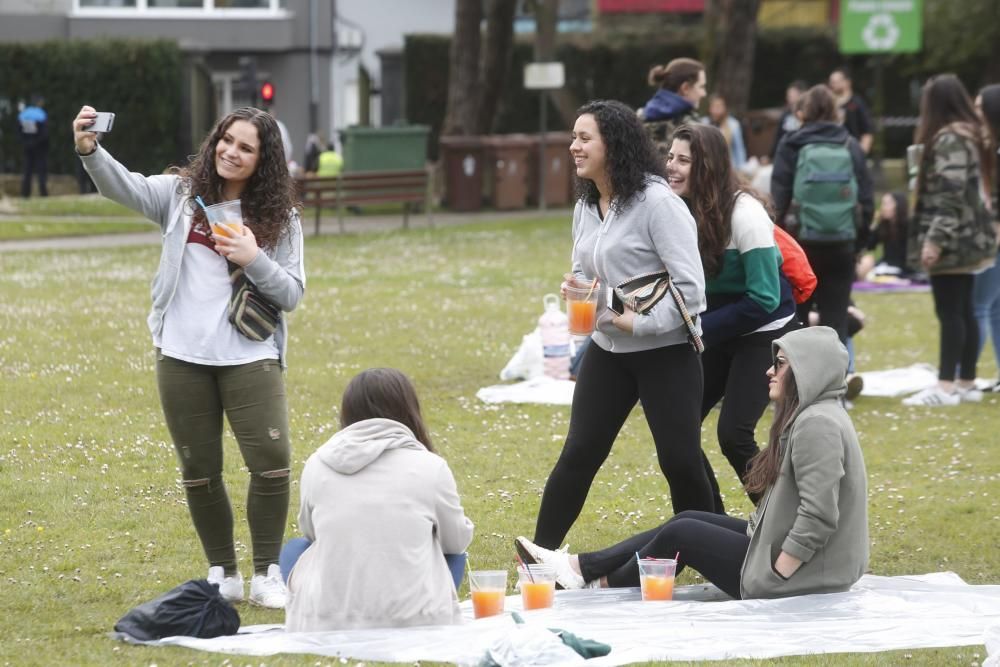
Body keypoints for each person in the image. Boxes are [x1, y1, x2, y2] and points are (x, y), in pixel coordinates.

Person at [73, 105, 306, 607]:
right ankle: (223, 571)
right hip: (181, 355)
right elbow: (126, 186)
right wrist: (90, 151)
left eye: (246, 147)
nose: (231, 152)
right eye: (227, 140)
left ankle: (267, 572)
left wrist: (253, 257)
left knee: (272, 463)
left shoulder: (280, 218)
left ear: (263, 160)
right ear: (214, 141)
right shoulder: (180, 196)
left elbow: (290, 293)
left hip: (249, 355)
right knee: (199, 470)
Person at [516, 326, 869, 600]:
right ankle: (578, 568)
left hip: (804, 574)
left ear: (808, 372)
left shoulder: (817, 424)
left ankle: (599, 584)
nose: (768, 371)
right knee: (688, 519)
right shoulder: (815, 415)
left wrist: (780, 571)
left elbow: (820, 512)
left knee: (681, 534)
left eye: (780, 363)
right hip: (796, 559)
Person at [527, 99, 713, 552]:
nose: (574, 146)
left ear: (614, 144)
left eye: (584, 137)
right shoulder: (588, 204)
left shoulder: (658, 203)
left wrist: (634, 322)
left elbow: (692, 292)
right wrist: (580, 291)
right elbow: (585, 270)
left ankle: (718, 550)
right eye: (573, 137)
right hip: (607, 352)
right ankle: (538, 559)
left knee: (681, 461)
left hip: (666, 353)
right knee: (579, 454)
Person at [666, 123, 798, 512]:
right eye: (670, 156)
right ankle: (710, 523)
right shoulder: (677, 208)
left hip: (765, 328)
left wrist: (698, 328)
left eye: (684, 160)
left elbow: (763, 298)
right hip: (721, 326)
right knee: (678, 427)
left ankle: (780, 521)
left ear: (706, 166)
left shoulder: (745, 214)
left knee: (733, 433)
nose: (671, 166)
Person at [282, 368, 474, 631]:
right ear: (409, 410)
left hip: (330, 620)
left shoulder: (318, 463)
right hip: (415, 618)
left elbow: (311, 533)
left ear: (347, 413)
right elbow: (456, 542)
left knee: (295, 549)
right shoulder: (431, 466)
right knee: (451, 553)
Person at [903, 75, 997, 406]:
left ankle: (945, 386)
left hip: (954, 240)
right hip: (970, 237)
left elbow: (950, 196)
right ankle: (966, 381)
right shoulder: (971, 136)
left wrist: (934, 240)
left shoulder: (949, 140)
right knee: (965, 309)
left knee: (951, 311)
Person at [771, 84, 874, 346]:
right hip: (842, 244)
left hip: (800, 245)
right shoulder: (850, 145)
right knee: (836, 319)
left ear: (803, 112)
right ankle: (837, 382)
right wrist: (858, 244)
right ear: (835, 112)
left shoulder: (790, 144)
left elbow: (778, 200)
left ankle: (800, 385)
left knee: (798, 320)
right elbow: (866, 201)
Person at [972, 84, 1000, 391]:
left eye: (979, 108)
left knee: (978, 305)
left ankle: (959, 374)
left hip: (993, 238)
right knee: (994, 307)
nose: (974, 112)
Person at [638, 58, 707, 157]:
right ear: (685, 88)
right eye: (701, 87)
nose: (704, 94)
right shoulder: (694, 129)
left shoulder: (638, 119)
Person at [857, 192, 913, 280]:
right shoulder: (883, 226)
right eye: (883, 204)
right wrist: (873, 224)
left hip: (902, 267)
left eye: (887, 204)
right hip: (885, 264)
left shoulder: (908, 226)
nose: (883, 207)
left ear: (899, 205)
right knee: (866, 261)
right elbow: (869, 246)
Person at [829, 68, 874, 154]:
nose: (833, 84)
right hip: (833, 152)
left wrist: (861, 152)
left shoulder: (857, 103)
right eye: (831, 82)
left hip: (851, 151)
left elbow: (867, 130)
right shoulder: (829, 104)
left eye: (837, 81)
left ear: (847, 82)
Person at [701, 94, 747, 170]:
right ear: (709, 108)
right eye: (714, 106)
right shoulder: (703, 123)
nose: (716, 109)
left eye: (719, 106)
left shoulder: (733, 125)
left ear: (725, 107)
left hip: (728, 167)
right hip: (707, 167)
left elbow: (739, 149)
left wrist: (741, 168)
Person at [18, 95, 49, 198]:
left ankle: (25, 193)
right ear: (39, 103)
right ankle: (43, 193)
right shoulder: (41, 114)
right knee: (41, 170)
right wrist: (37, 142)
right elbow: (44, 134)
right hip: (39, 147)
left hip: (27, 146)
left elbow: (19, 131)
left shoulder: (24, 114)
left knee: (27, 170)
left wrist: (26, 142)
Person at [770, 80, 808, 159]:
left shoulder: (808, 114)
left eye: (792, 95)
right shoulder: (786, 115)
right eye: (788, 95)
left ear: (801, 95)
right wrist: (771, 156)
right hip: (785, 153)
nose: (788, 98)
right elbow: (778, 136)